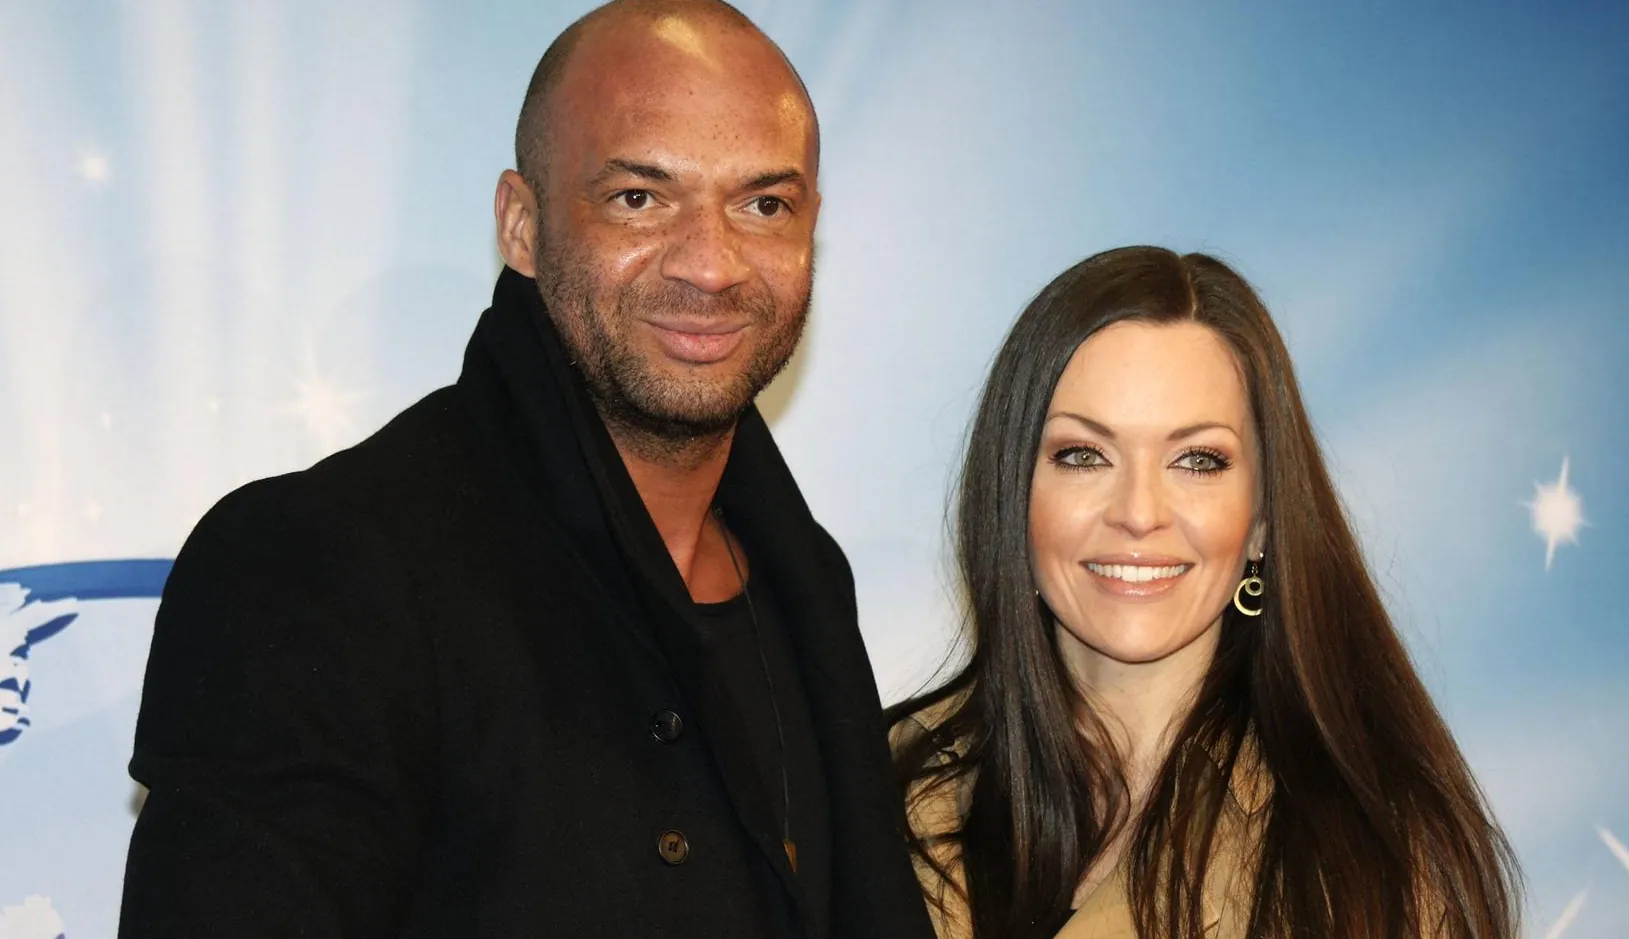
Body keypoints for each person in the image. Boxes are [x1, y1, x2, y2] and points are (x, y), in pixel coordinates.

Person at [119, 2, 934, 937]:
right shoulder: (317, 563)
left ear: (809, 229)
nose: (710, 266)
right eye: (639, 197)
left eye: (763, 205)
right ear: (520, 223)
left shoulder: (806, 582)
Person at [889, 247, 1521, 939]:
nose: (1139, 512)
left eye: (1197, 461)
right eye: (1083, 455)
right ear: (1012, 494)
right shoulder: (873, 782)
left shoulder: (1378, 859)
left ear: (1262, 519)